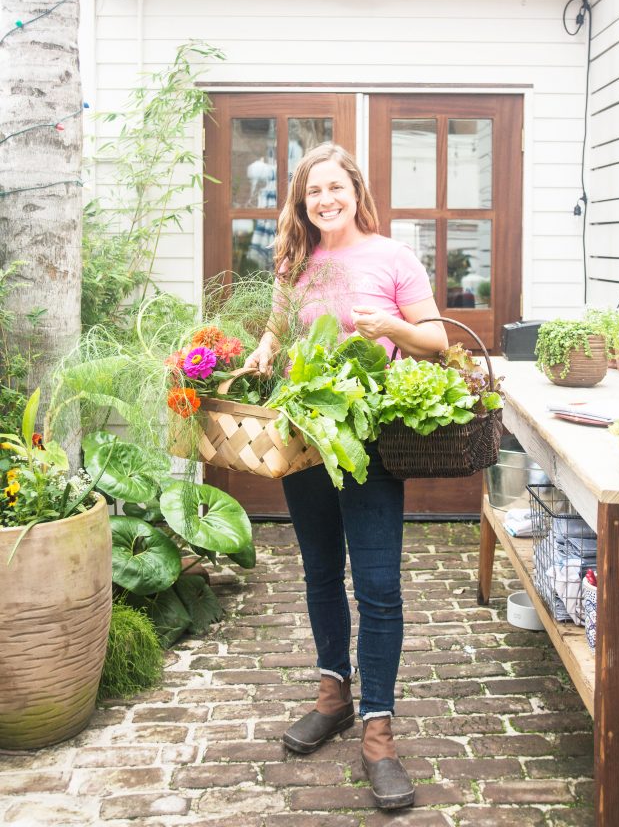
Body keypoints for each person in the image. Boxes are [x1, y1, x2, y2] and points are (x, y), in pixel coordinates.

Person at [244, 143, 447, 810]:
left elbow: (435, 340)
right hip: (305, 440)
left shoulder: (391, 257)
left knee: (379, 586)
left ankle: (379, 732)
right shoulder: (294, 261)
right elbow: (277, 332)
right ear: (301, 203)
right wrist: (260, 352)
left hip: (370, 443)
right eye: (311, 193)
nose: (323, 201)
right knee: (319, 573)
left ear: (355, 191)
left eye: (334, 188)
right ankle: (333, 696)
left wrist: (389, 324)